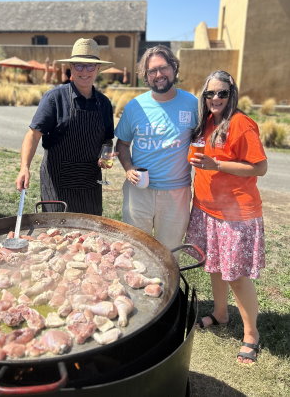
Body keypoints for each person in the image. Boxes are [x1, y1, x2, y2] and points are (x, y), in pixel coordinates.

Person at [185, 70, 267, 364]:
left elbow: (259, 168)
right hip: (207, 208)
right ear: (204, 97)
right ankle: (220, 313)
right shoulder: (207, 122)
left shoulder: (241, 123)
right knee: (214, 265)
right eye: (210, 94)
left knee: (237, 276)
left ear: (232, 95)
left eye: (222, 93)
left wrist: (216, 164)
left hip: (236, 213)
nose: (216, 98)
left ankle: (251, 334)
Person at [16, 38, 114, 215]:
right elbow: (33, 134)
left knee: (89, 233)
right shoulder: (54, 98)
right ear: (71, 67)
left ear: (98, 69)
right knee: (57, 233)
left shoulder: (104, 103)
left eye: (90, 66)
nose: (84, 71)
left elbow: (107, 139)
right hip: (57, 179)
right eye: (79, 65)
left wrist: (105, 154)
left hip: (89, 180)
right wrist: (25, 167)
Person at [115, 45, 198, 250]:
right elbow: (122, 144)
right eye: (152, 71)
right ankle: (136, 283)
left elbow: (203, 140)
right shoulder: (135, 106)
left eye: (163, 68)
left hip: (176, 193)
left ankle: (167, 284)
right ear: (146, 75)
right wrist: (128, 168)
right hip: (139, 190)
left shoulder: (192, 104)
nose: (159, 74)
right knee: (133, 248)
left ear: (174, 68)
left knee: (169, 251)